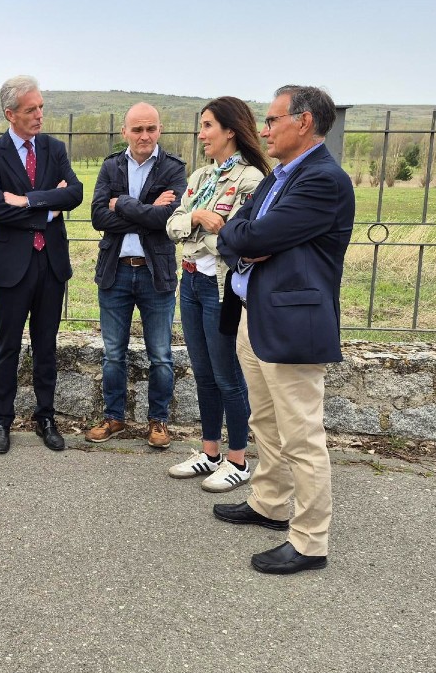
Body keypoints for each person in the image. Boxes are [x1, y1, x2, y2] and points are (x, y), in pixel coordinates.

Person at [212, 85, 354, 575]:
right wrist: (242, 239)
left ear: (305, 122)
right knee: (265, 422)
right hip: (255, 315)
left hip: (293, 323)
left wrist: (242, 238)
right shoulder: (278, 177)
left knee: (302, 435)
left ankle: (311, 541)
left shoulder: (323, 181)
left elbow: (253, 233)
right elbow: (237, 231)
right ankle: (270, 503)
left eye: (272, 120)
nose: (264, 130)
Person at [165, 97, 271, 493]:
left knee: (228, 376)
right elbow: (171, 224)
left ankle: (238, 460)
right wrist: (196, 217)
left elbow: (237, 240)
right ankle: (210, 453)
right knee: (203, 372)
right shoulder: (199, 178)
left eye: (208, 125)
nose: (201, 133)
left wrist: (204, 230)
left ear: (230, 130)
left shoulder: (252, 181)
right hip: (189, 282)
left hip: (220, 289)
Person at [0, 75, 84, 454]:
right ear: (10, 114)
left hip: (50, 264)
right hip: (12, 266)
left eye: (41, 107)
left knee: (46, 345)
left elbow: (75, 193)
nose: (39, 114)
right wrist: (48, 204)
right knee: (7, 345)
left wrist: (26, 201)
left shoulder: (54, 149)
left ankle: (45, 417)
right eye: (30, 109)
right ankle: (1, 420)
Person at [86, 103, 187, 449]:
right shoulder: (110, 165)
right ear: (124, 132)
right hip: (115, 272)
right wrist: (147, 210)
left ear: (159, 130)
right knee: (113, 353)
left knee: (160, 354)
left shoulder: (173, 169)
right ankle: (114, 417)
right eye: (137, 129)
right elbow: (98, 216)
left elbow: (168, 219)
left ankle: (158, 422)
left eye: (151, 129)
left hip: (155, 273)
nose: (144, 136)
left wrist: (123, 204)